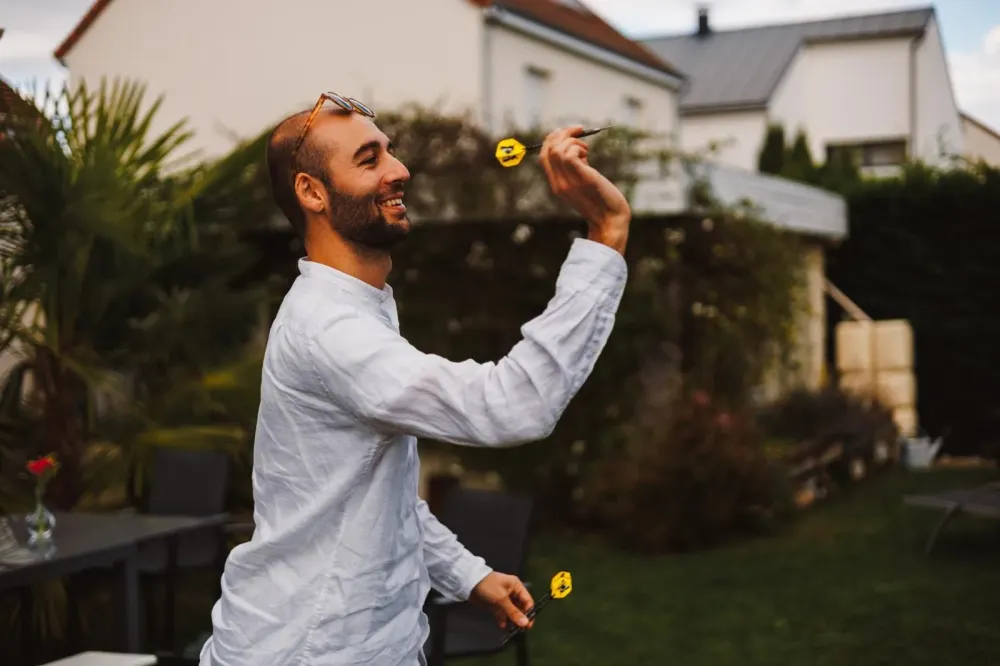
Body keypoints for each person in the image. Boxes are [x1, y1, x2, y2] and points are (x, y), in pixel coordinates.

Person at [199, 92, 632, 666]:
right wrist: (606, 231)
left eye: (391, 153)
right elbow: (513, 405)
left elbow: (372, 491)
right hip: (310, 650)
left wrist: (468, 575)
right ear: (312, 192)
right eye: (369, 159)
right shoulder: (330, 329)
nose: (400, 171)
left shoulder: (358, 307)